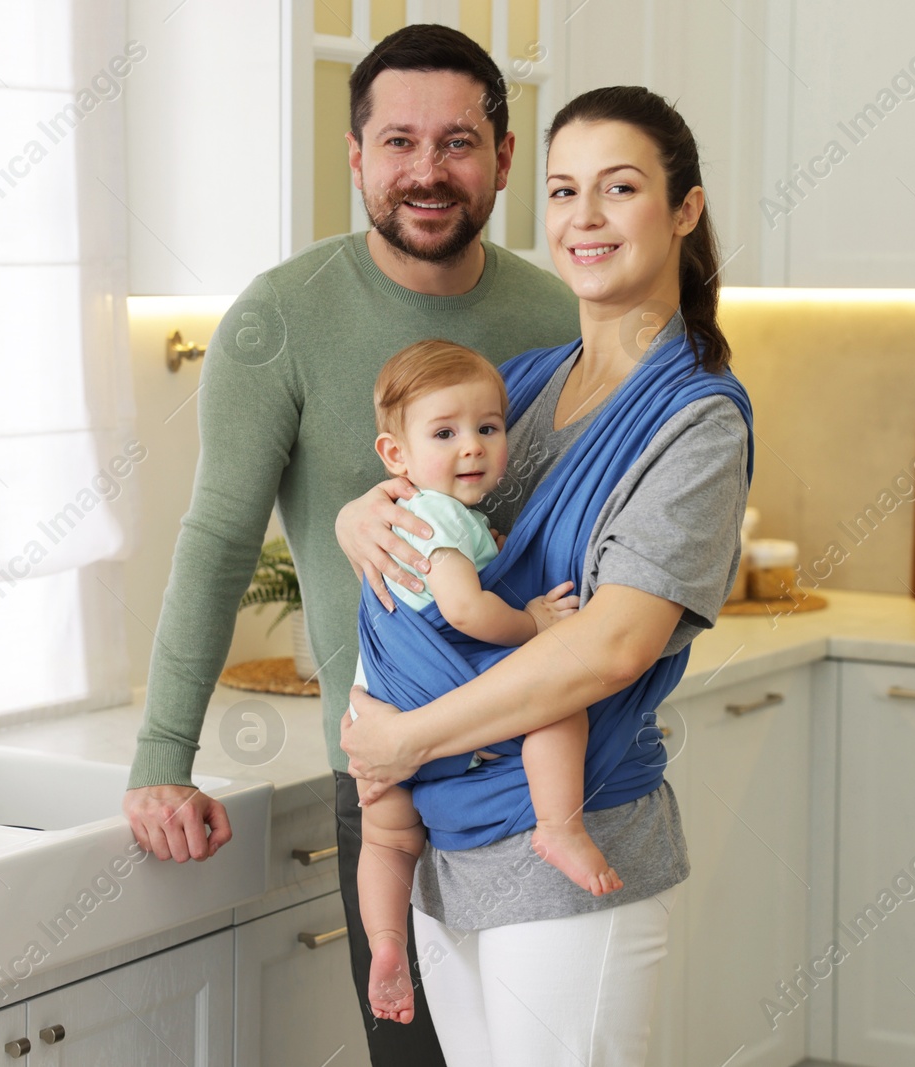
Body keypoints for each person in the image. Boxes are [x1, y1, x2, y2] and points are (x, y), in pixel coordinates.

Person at [120, 23, 579, 1065]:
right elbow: (216, 541)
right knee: (413, 1054)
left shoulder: (555, 312)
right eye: (399, 141)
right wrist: (162, 757)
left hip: (550, 757)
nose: (427, 170)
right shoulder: (276, 320)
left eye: (458, 142)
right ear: (355, 155)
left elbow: (571, 531)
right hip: (387, 766)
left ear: (505, 157)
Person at [336, 85, 753, 1065]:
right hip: (452, 838)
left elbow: (610, 643)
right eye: (564, 191)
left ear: (683, 209)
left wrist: (401, 739)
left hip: (569, 847)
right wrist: (364, 510)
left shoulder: (694, 422)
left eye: (619, 188)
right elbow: (415, 488)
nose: (585, 218)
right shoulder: (515, 386)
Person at [350, 339, 622, 1025]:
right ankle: (559, 824)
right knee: (558, 698)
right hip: (429, 689)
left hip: (375, 706)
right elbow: (464, 609)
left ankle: (385, 944)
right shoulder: (437, 516)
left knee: (385, 837)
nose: (472, 446)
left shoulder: (416, 516)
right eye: (445, 432)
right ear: (396, 455)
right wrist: (533, 623)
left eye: (488, 427)